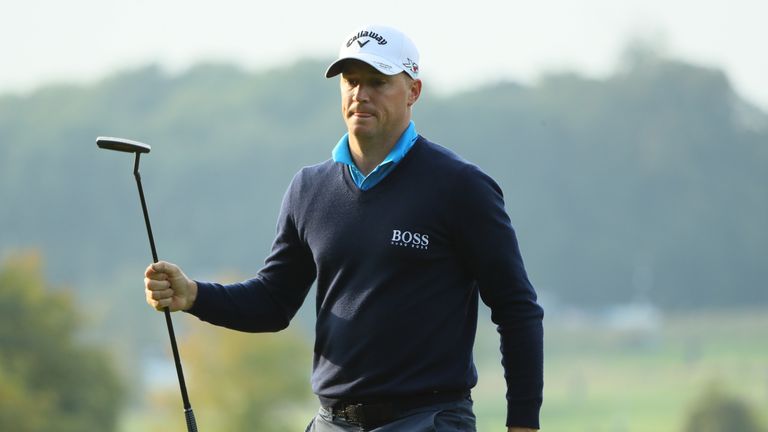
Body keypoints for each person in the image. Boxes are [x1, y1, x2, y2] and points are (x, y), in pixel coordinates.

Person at [144, 24, 543, 431]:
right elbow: (273, 301)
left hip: (428, 420)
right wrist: (193, 294)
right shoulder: (309, 188)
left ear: (413, 92)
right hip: (332, 422)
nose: (361, 94)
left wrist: (523, 423)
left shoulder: (460, 187)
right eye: (351, 81)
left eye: (378, 82)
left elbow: (516, 309)